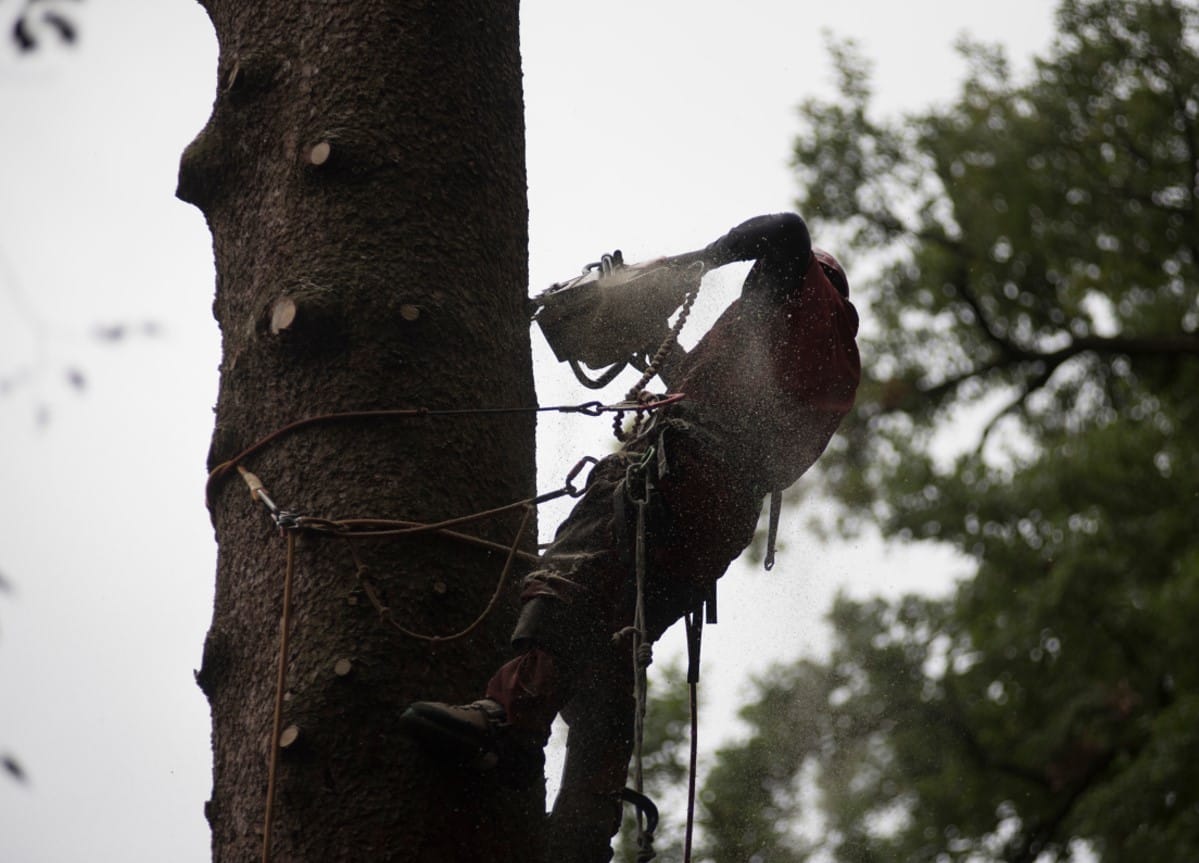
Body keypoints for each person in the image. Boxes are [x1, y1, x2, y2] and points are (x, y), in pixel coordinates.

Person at [401, 213, 860, 800]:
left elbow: (788, 230)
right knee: (620, 634)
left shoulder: (800, 290)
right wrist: (654, 344)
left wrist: (695, 262)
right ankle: (585, 825)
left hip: (679, 472)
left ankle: (504, 716)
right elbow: (721, 396)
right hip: (719, 516)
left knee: (575, 569)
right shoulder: (822, 358)